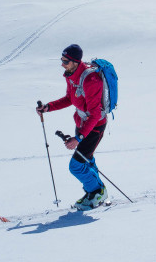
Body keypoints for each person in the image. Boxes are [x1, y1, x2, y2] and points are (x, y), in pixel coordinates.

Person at [36, 44, 108, 210]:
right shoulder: (71, 75)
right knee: (86, 160)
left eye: (66, 61)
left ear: (76, 61)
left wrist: (78, 138)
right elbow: (70, 98)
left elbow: (95, 114)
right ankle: (96, 192)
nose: (62, 64)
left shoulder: (90, 79)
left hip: (94, 127)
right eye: (62, 60)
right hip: (81, 123)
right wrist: (48, 107)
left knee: (76, 166)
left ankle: (97, 191)